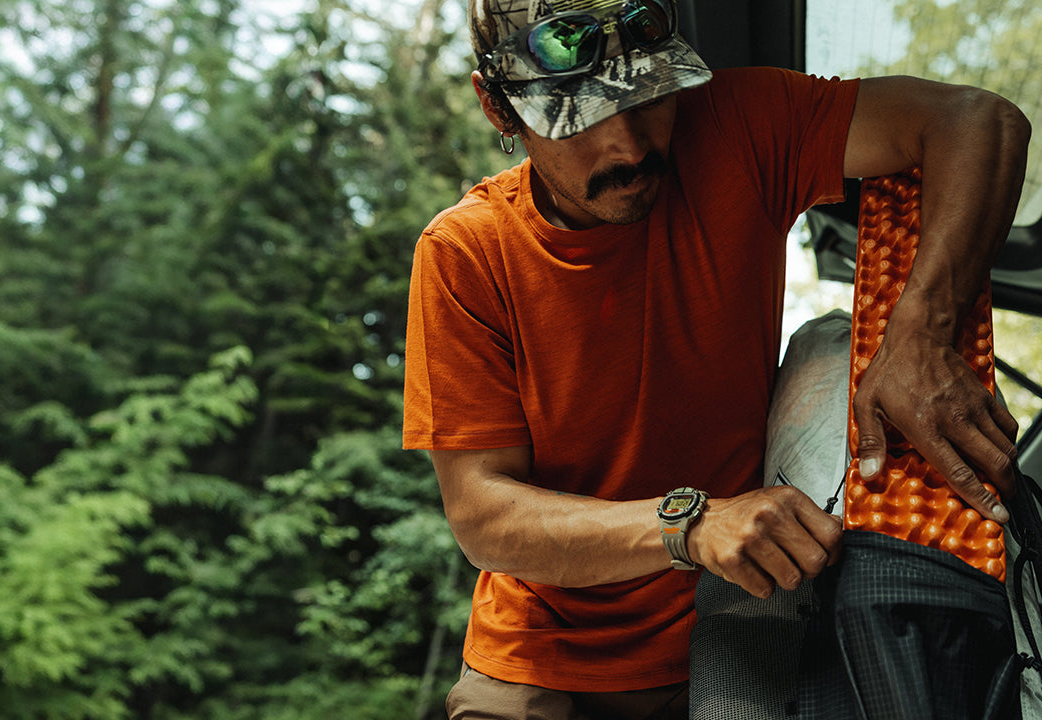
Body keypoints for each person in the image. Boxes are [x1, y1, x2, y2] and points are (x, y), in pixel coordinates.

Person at [400, 0, 1032, 718]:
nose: (630, 147)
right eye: (580, 120)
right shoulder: (465, 255)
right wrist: (691, 526)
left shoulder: (738, 124)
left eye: (648, 99)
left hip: (739, 630)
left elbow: (980, 121)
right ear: (497, 107)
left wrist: (922, 329)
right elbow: (484, 516)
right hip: (538, 661)